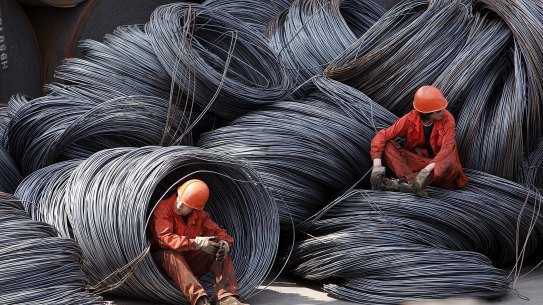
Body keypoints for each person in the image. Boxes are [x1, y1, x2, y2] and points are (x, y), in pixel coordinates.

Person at [150, 179, 248, 305]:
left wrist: (224, 244)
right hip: (162, 263)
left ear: (194, 209)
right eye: (179, 198)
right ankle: (200, 301)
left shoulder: (200, 216)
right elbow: (164, 239)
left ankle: (227, 298)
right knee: (171, 255)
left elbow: (219, 233)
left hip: (187, 261)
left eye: (186, 205)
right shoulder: (162, 209)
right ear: (178, 193)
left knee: (218, 250)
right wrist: (196, 243)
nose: (180, 205)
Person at [370, 85, 468, 196]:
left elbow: (448, 147)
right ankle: (410, 183)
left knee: (449, 159)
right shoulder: (410, 119)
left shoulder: (447, 118)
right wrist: (377, 166)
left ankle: (406, 183)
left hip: (436, 167)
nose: (443, 112)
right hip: (416, 162)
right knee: (387, 146)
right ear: (427, 113)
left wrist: (426, 171)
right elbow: (382, 135)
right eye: (438, 111)